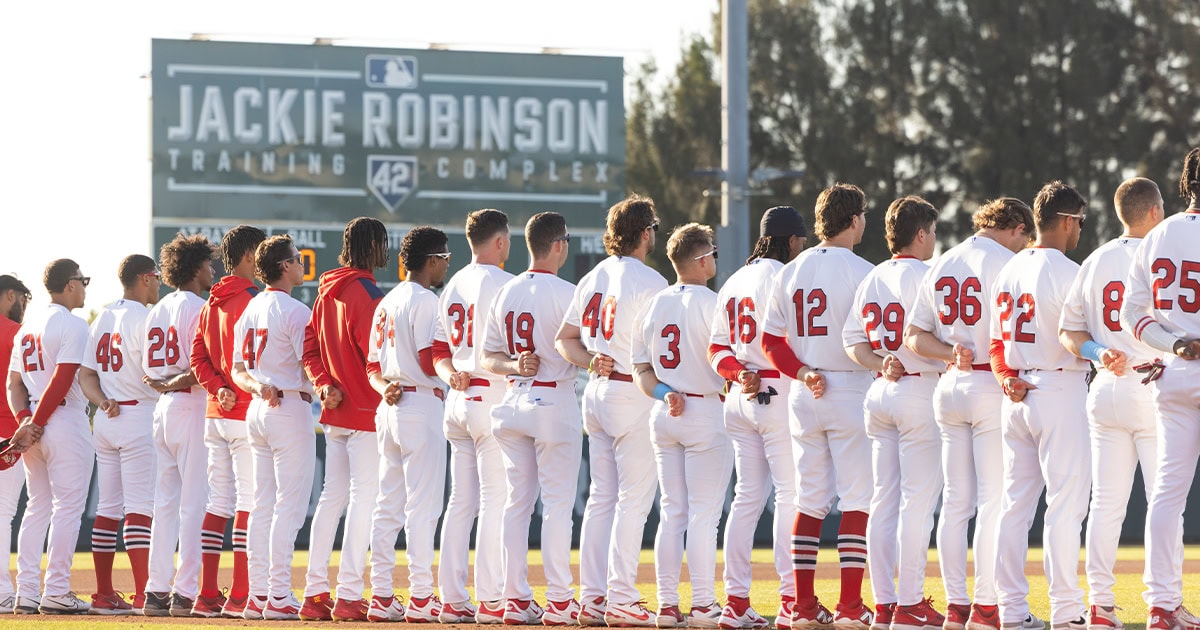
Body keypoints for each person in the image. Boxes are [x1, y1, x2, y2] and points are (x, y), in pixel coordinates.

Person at [903, 198, 1034, 630]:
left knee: (956, 503)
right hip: (989, 385)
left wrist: (948, 353)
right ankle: (985, 606)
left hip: (950, 385)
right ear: (1015, 228)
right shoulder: (1008, 263)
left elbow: (914, 336)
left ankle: (957, 606)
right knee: (993, 501)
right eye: (1025, 237)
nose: (1025, 245)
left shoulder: (943, 261)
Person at [1059, 177, 1175, 630]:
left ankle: (1100, 608)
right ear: (1153, 211)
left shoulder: (1096, 258)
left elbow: (1069, 332)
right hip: (1152, 381)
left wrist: (1096, 352)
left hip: (1105, 383)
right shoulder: (1162, 255)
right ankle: (1161, 604)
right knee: (1165, 500)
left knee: (1106, 504)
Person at [761, 183, 874, 629]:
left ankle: (803, 607)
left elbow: (770, 340)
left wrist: (801, 372)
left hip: (805, 391)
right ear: (853, 219)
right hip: (849, 388)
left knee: (809, 502)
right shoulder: (863, 270)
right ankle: (849, 606)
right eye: (862, 214)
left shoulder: (791, 269)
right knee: (857, 500)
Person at [555, 195, 668, 627]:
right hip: (630, 393)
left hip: (598, 392)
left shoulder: (593, 275)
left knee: (602, 500)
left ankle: (594, 598)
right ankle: (620, 597)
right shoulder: (650, 281)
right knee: (633, 501)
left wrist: (588, 360)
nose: (654, 234)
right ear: (644, 232)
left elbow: (563, 340)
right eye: (653, 228)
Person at [989, 181, 1089, 630]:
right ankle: (1066, 612)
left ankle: (1010, 611)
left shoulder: (1008, 269)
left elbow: (995, 342)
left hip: (1016, 393)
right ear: (1067, 221)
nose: (1080, 231)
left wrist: (1007, 377)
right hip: (1058, 388)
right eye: (1080, 222)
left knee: (1014, 506)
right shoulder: (1068, 272)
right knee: (1065, 506)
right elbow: (1083, 339)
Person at [841, 197, 944, 629]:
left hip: (880, 390)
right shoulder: (926, 274)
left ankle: (885, 605)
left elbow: (853, 342)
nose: (935, 239)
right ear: (920, 234)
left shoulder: (874, 275)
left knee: (883, 502)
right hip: (919, 389)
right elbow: (938, 337)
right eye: (932, 231)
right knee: (917, 505)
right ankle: (910, 603)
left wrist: (880, 363)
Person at [708, 207, 806, 630]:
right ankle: (789, 599)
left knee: (746, 499)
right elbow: (791, 342)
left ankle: (735, 602)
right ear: (788, 240)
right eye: (799, 239)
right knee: (790, 495)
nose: (802, 246)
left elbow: (716, 349)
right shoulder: (785, 277)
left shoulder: (733, 279)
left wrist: (736, 374)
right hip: (778, 389)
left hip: (739, 394)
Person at [481, 212, 582, 625]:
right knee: (557, 506)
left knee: (515, 506)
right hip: (552, 401)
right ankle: (559, 600)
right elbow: (581, 348)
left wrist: (513, 366)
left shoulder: (506, 292)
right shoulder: (568, 292)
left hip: (513, 401)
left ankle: (515, 599)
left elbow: (489, 358)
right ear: (558, 245)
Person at [632, 223, 731, 629]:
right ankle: (705, 605)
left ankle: (668, 606)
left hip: (665, 412)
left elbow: (641, 369)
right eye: (712, 252)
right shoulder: (713, 303)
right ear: (701, 258)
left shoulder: (655, 304)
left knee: (673, 514)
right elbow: (727, 363)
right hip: (706, 411)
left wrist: (663, 393)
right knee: (704, 516)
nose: (714, 258)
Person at [1120, 146, 1200, 630]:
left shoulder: (1159, 234)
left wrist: (1175, 342)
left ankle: (1161, 605)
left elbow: (1133, 313)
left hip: (1173, 371)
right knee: (1167, 494)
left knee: (1167, 495)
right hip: (1180, 366)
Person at [300, 217, 388, 622]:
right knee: (363, 501)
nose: (387, 250)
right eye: (383, 243)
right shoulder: (366, 293)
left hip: (335, 414)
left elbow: (310, 350)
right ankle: (350, 593)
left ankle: (315, 592)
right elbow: (376, 355)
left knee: (331, 500)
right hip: (367, 412)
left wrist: (322, 385)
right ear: (371, 247)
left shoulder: (325, 292)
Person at [366, 226, 454, 623]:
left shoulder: (386, 301)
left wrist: (384, 385)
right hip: (420, 404)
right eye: (445, 259)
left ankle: (381, 595)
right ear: (432, 260)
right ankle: (420, 596)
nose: (445, 266)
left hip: (389, 406)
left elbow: (372, 366)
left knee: (387, 507)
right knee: (423, 506)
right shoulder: (426, 300)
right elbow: (426, 359)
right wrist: (452, 376)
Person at [434, 209, 514, 624]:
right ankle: (491, 598)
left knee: (460, 502)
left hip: (458, 398)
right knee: (495, 501)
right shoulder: (505, 283)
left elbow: (438, 352)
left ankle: (451, 598)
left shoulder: (453, 285)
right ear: (499, 242)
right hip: (491, 397)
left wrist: (451, 377)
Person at [232, 235, 316, 620]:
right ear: (284, 266)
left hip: (258, 408)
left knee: (261, 506)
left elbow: (239, 372)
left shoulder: (251, 309)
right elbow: (311, 366)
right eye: (297, 259)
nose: (301, 264)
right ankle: (278, 594)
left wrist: (257, 386)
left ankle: (259, 595)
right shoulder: (295, 310)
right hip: (288, 407)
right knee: (289, 506)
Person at [6, 260, 92, 614]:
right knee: (67, 507)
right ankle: (56, 588)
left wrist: (25, 421)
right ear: (70, 284)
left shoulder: (26, 328)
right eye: (83, 280)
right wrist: (35, 423)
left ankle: (26, 592)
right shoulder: (72, 323)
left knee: (37, 507)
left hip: (33, 421)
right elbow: (63, 377)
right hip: (63, 419)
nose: (85, 286)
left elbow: (13, 385)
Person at [78, 254, 161, 614]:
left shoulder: (104, 318)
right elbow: (157, 372)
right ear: (144, 278)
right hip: (140, 413)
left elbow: (86, 376)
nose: (159, 283)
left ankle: (104, 593)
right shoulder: (147, 317)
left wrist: (102, 401)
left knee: (108, 509)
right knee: (140, 508)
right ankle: (143, 593)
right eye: (156, 276)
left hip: (108, 417)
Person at [189, 224, 265, 618]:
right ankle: (239, 595)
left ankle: (206, 595)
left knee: (218, 502)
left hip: (215, 413)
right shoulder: (253, 299)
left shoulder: (210, 302)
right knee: (248, 503)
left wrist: (217, 387)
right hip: (244, 411)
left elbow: (198, 358)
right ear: (251, 255)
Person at [140, 233, 216, 617]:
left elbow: (149, 370)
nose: (212, 269)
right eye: (207, 263)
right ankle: (184, 593)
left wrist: (164, 384)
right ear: (194, 267)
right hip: (188, 405)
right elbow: (199, 369)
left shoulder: (157, 308)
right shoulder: (197, 307)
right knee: (192, 506)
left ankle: (156, 591)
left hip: (163, 408)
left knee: (165, 505)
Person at [0, 275, 31, 612]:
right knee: (4, 513)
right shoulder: (15, 333)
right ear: (10, 294)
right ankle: (1, 591)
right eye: (23, 297)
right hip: (8, 432)